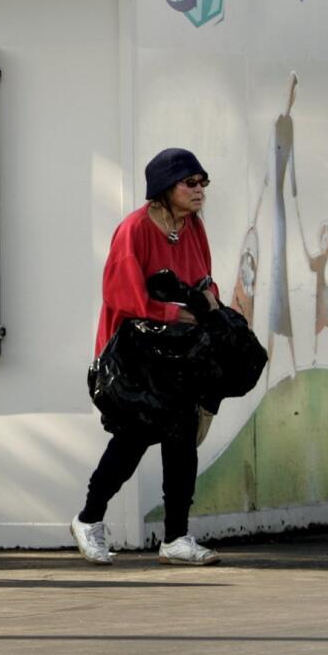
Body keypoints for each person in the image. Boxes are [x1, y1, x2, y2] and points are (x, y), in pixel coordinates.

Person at [71, 147, 221, 567]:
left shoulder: (193, 227)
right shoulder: (134, 229)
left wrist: (213, 310)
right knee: (134, 438)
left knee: (181, 437)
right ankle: (89, 519)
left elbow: (204, 278)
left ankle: (176, 537)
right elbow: (122, 295)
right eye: (190, 183)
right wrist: (173, 312)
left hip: (177, 349)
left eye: (202, 182)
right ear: (164, 187)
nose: (199, 190)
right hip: (136, 351)